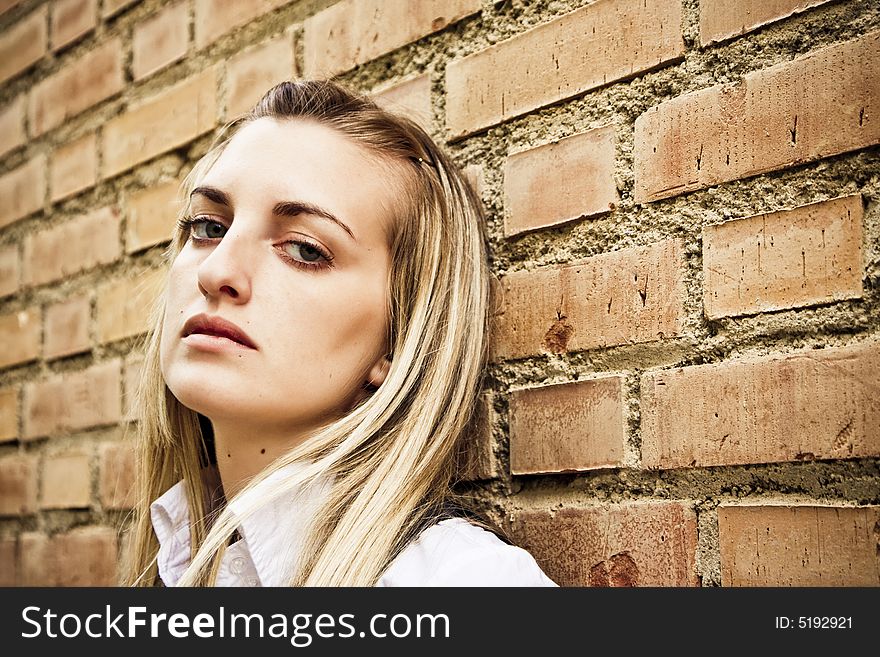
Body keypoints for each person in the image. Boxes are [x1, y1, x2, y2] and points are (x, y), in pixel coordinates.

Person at [125, 78, 557, 587]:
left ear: (398, 340)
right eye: (208, 227)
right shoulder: (177, 556)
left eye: (305, 249)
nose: (216, 271)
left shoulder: (463, 581)